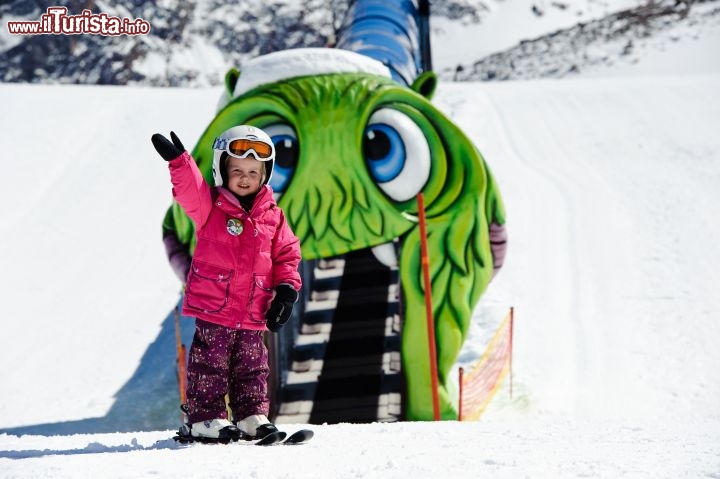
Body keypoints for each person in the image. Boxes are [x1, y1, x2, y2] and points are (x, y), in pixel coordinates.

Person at [151, 125, 302, 441]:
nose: (245, 177)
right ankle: (205, 418)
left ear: (265, 174)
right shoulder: (210, 208)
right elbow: (189, 190)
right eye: (237, 170)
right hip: (215, 306)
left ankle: (251, 415)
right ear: (222, 170)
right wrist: (180, 162)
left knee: (253, 366)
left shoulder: (273, 216)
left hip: (253, 309)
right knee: (210, 366)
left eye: (253, 171)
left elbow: (288, 253)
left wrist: (287, 290)